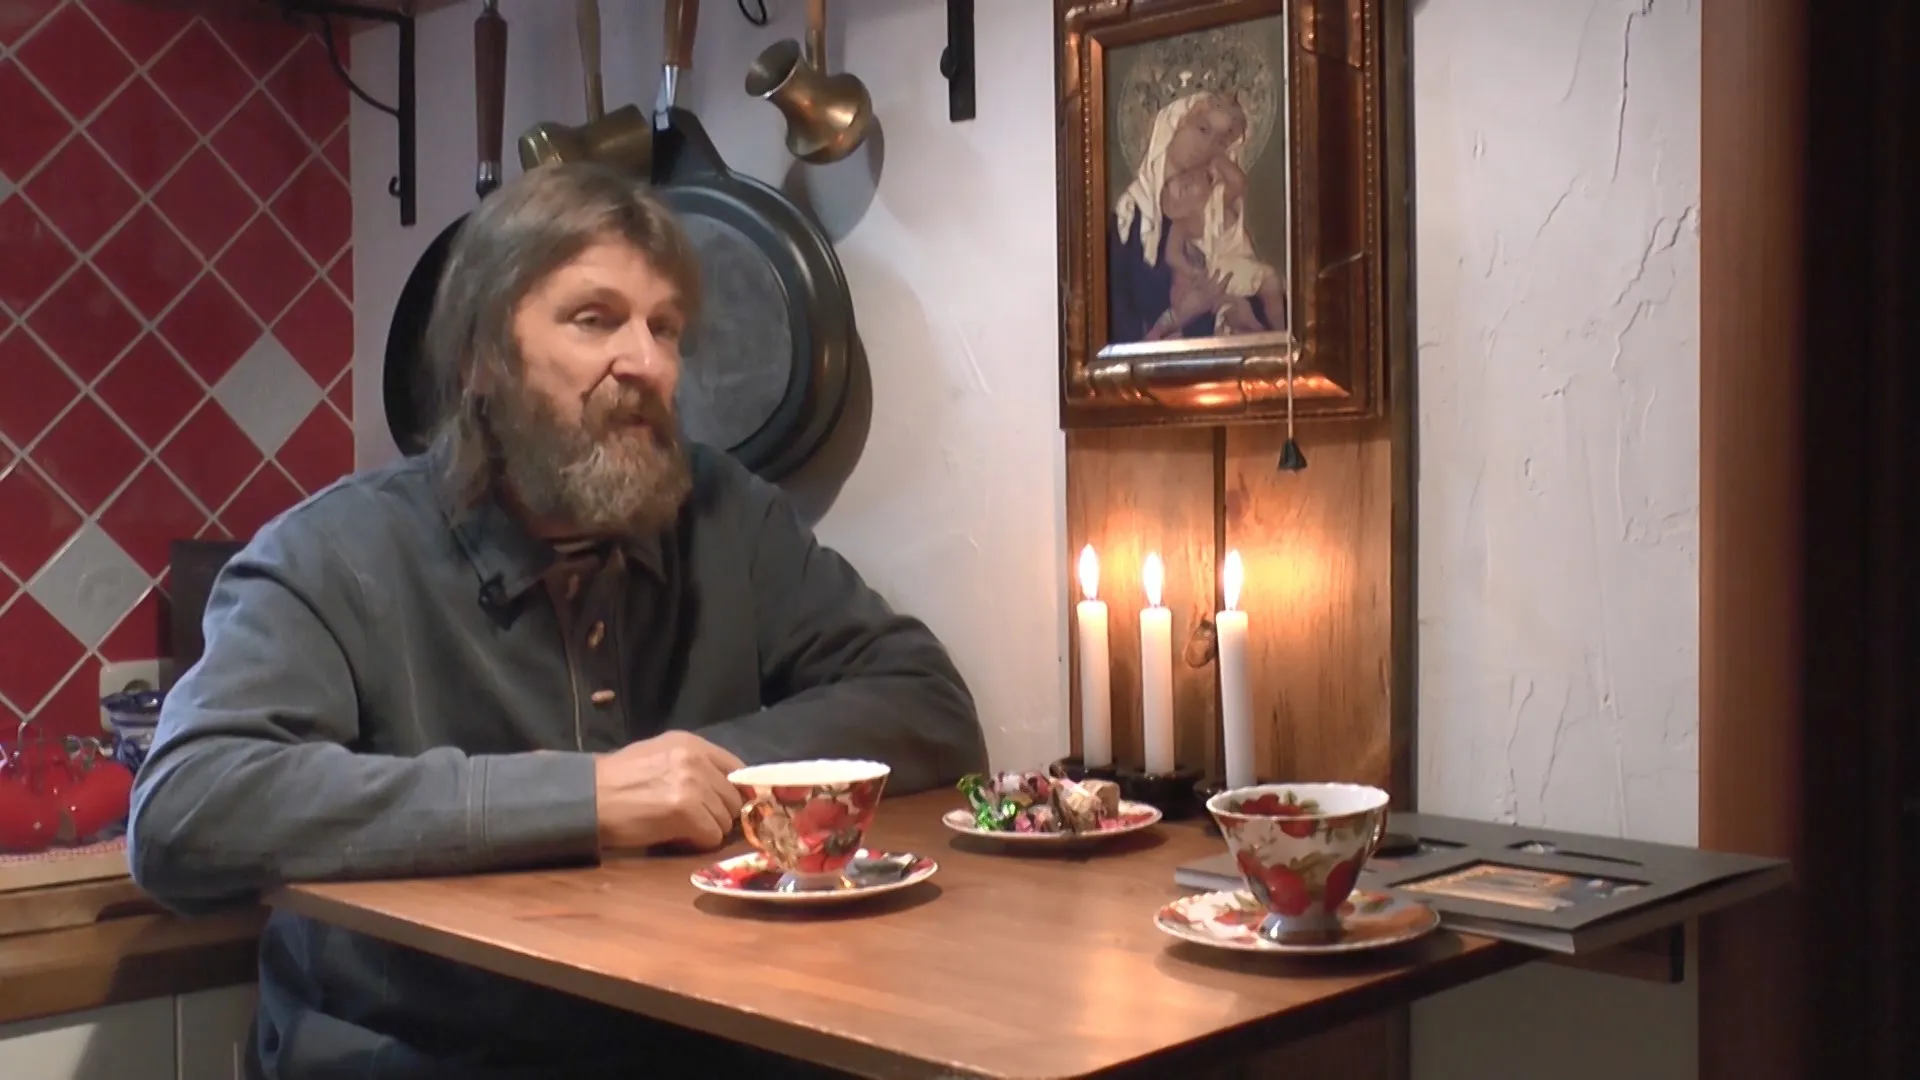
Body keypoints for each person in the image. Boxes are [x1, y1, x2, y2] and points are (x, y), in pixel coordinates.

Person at [126, 162, 989, 1079]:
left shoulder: (724, 515)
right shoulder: (332, 554)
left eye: (665, 328)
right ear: (481, 359)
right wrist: (587, 799)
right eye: (594, 320)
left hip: (685, 1041)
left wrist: (709, 774)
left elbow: (927, 704)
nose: (647, 363)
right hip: (416, 1056)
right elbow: (186, 809)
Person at [1109, 91, 1288, 344]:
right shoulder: (1128, 221)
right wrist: (1179, 316)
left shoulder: (1212, 206)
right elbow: (1118, 334)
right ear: (1174, 123)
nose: (1207, 146)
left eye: (1221, 142)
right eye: (1202, 129)